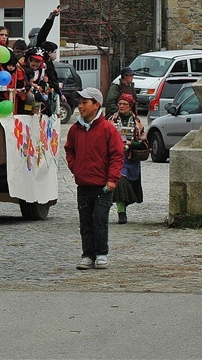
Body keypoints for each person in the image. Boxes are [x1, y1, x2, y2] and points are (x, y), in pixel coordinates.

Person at [64, 87, 124, 270]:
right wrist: (76, 168)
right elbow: (69, 150)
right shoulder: (75, 129)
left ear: (96, 105)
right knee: (85, 222)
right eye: (79, 103)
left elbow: (117, 155)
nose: (80, 106)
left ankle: (101, 253)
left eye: (85, 103)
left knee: (100, 219)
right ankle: (87, 254)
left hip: (103, 185)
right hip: (83, 184)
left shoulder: (107, 129)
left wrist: (112, 179)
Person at [107, 93, 146, 224]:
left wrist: (131, 144)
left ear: (130, 106)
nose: (122, 106)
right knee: (120, 181)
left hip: (131, 160)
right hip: (116, 159)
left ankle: (124, 204)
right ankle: (121, 212)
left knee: (129, 187)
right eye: (120, 104)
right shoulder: (112, 120)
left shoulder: (137, 122)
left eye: (125, 104)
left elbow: (144, 143)